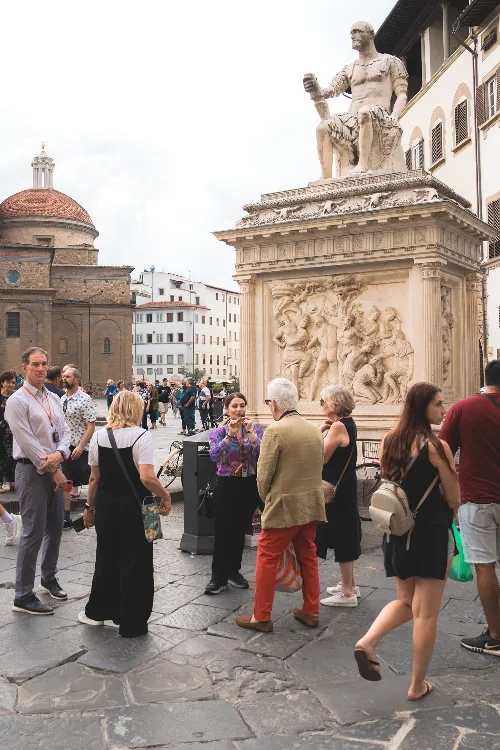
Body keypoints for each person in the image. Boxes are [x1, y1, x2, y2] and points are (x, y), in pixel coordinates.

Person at [354, 382, 460, 701]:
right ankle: (417, 685)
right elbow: (454, 496)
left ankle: (369, 640)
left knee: (404, 601)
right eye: (438, 404)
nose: (443, 410)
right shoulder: (436, 446)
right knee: (426, 613)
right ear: (421, 408)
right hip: (429, 533)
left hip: (397, 532)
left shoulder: (389, 440)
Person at [236, 378, 326, 632]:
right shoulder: (312, 429)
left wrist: (266, 499)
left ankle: (261, 616)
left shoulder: (275, 430)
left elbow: (263, 476)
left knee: (266, 555)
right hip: (311, 502)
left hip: (284, 505)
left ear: (274, 404)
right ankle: (311, 610)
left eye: (267, 403)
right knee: (308, 555)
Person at [79, 390, 171, 637]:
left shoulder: (98, 437)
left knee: (106, 557)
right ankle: (131, 622)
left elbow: (94, 479)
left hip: (107, 506)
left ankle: (99, 611)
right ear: (136, 409)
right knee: (137, 561)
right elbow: (147, 477)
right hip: (138, 506)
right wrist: (166, 495)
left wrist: (89, 508)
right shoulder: (142, 436)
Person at [440, 359, 500, 656]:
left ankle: (495, 636)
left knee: (485, 568)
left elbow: (443, 450)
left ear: (485, 378)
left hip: (477, 499)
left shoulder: (464, 407)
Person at [5, 347, 70, 615]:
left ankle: (48, 576)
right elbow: (27, 443)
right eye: (35, 364)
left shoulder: (53, 399)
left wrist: (60, 454)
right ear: (24, 368)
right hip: (31, 471)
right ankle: (22, 595)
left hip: (53, 465)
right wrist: (53, 467)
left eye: (44, 364)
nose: (41, 368)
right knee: (32, 532)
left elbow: (65, 433)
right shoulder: (17, 401)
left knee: (55, 526)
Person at [206, 392, 264, 594]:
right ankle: (218, 577)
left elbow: (263, 453)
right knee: (223, 530)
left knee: (240, 529)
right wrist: (230, 436)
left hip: (248, 484)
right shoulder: (218, 432)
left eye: (242, 406)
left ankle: (234, 571)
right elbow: (214, 455)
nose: (239, 410)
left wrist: (252, 436)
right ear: (226, 408)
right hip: (226, 483)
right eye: (234, 406)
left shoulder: (254, 428)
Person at [315, 386, 361, 607]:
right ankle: (350, 584)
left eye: (323, 401)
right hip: (345, 487)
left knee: (342, 535)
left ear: (334, 403)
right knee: (346, 533)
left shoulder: (338, 426)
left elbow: (321, 457)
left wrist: (319, 432)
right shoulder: (347, 424)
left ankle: (347, 593)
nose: (321, 405)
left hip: (336, 491)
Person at [61, 368, 96, 527]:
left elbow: (91, 425)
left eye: (67, 376)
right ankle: (66, 517)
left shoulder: (85, 399)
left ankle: (95, 509)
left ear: (76, 380)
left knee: (93, 479)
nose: (64, 378)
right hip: (66, 447)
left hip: (82, 448)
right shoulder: (62, 398)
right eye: (63, 376)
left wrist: (81, 446)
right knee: (66, 480)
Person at [0, 371, 22, 545]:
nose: (11, 385)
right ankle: (9, 520)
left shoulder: (15, 398)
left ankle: (9, 520)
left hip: (12, 437)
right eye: (9, 382)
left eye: (14, 382)